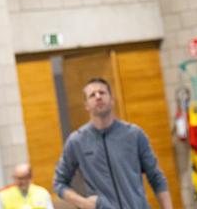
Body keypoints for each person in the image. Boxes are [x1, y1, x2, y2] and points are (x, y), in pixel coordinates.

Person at [54, 77, 172, 209]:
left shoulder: (134, 134)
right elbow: (59, 183)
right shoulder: (77, 141)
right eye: (92, 95)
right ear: (86, 105)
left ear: (112, 100)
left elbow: (156, 177)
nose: (98, 97)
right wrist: (84, 203)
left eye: (102, 92)